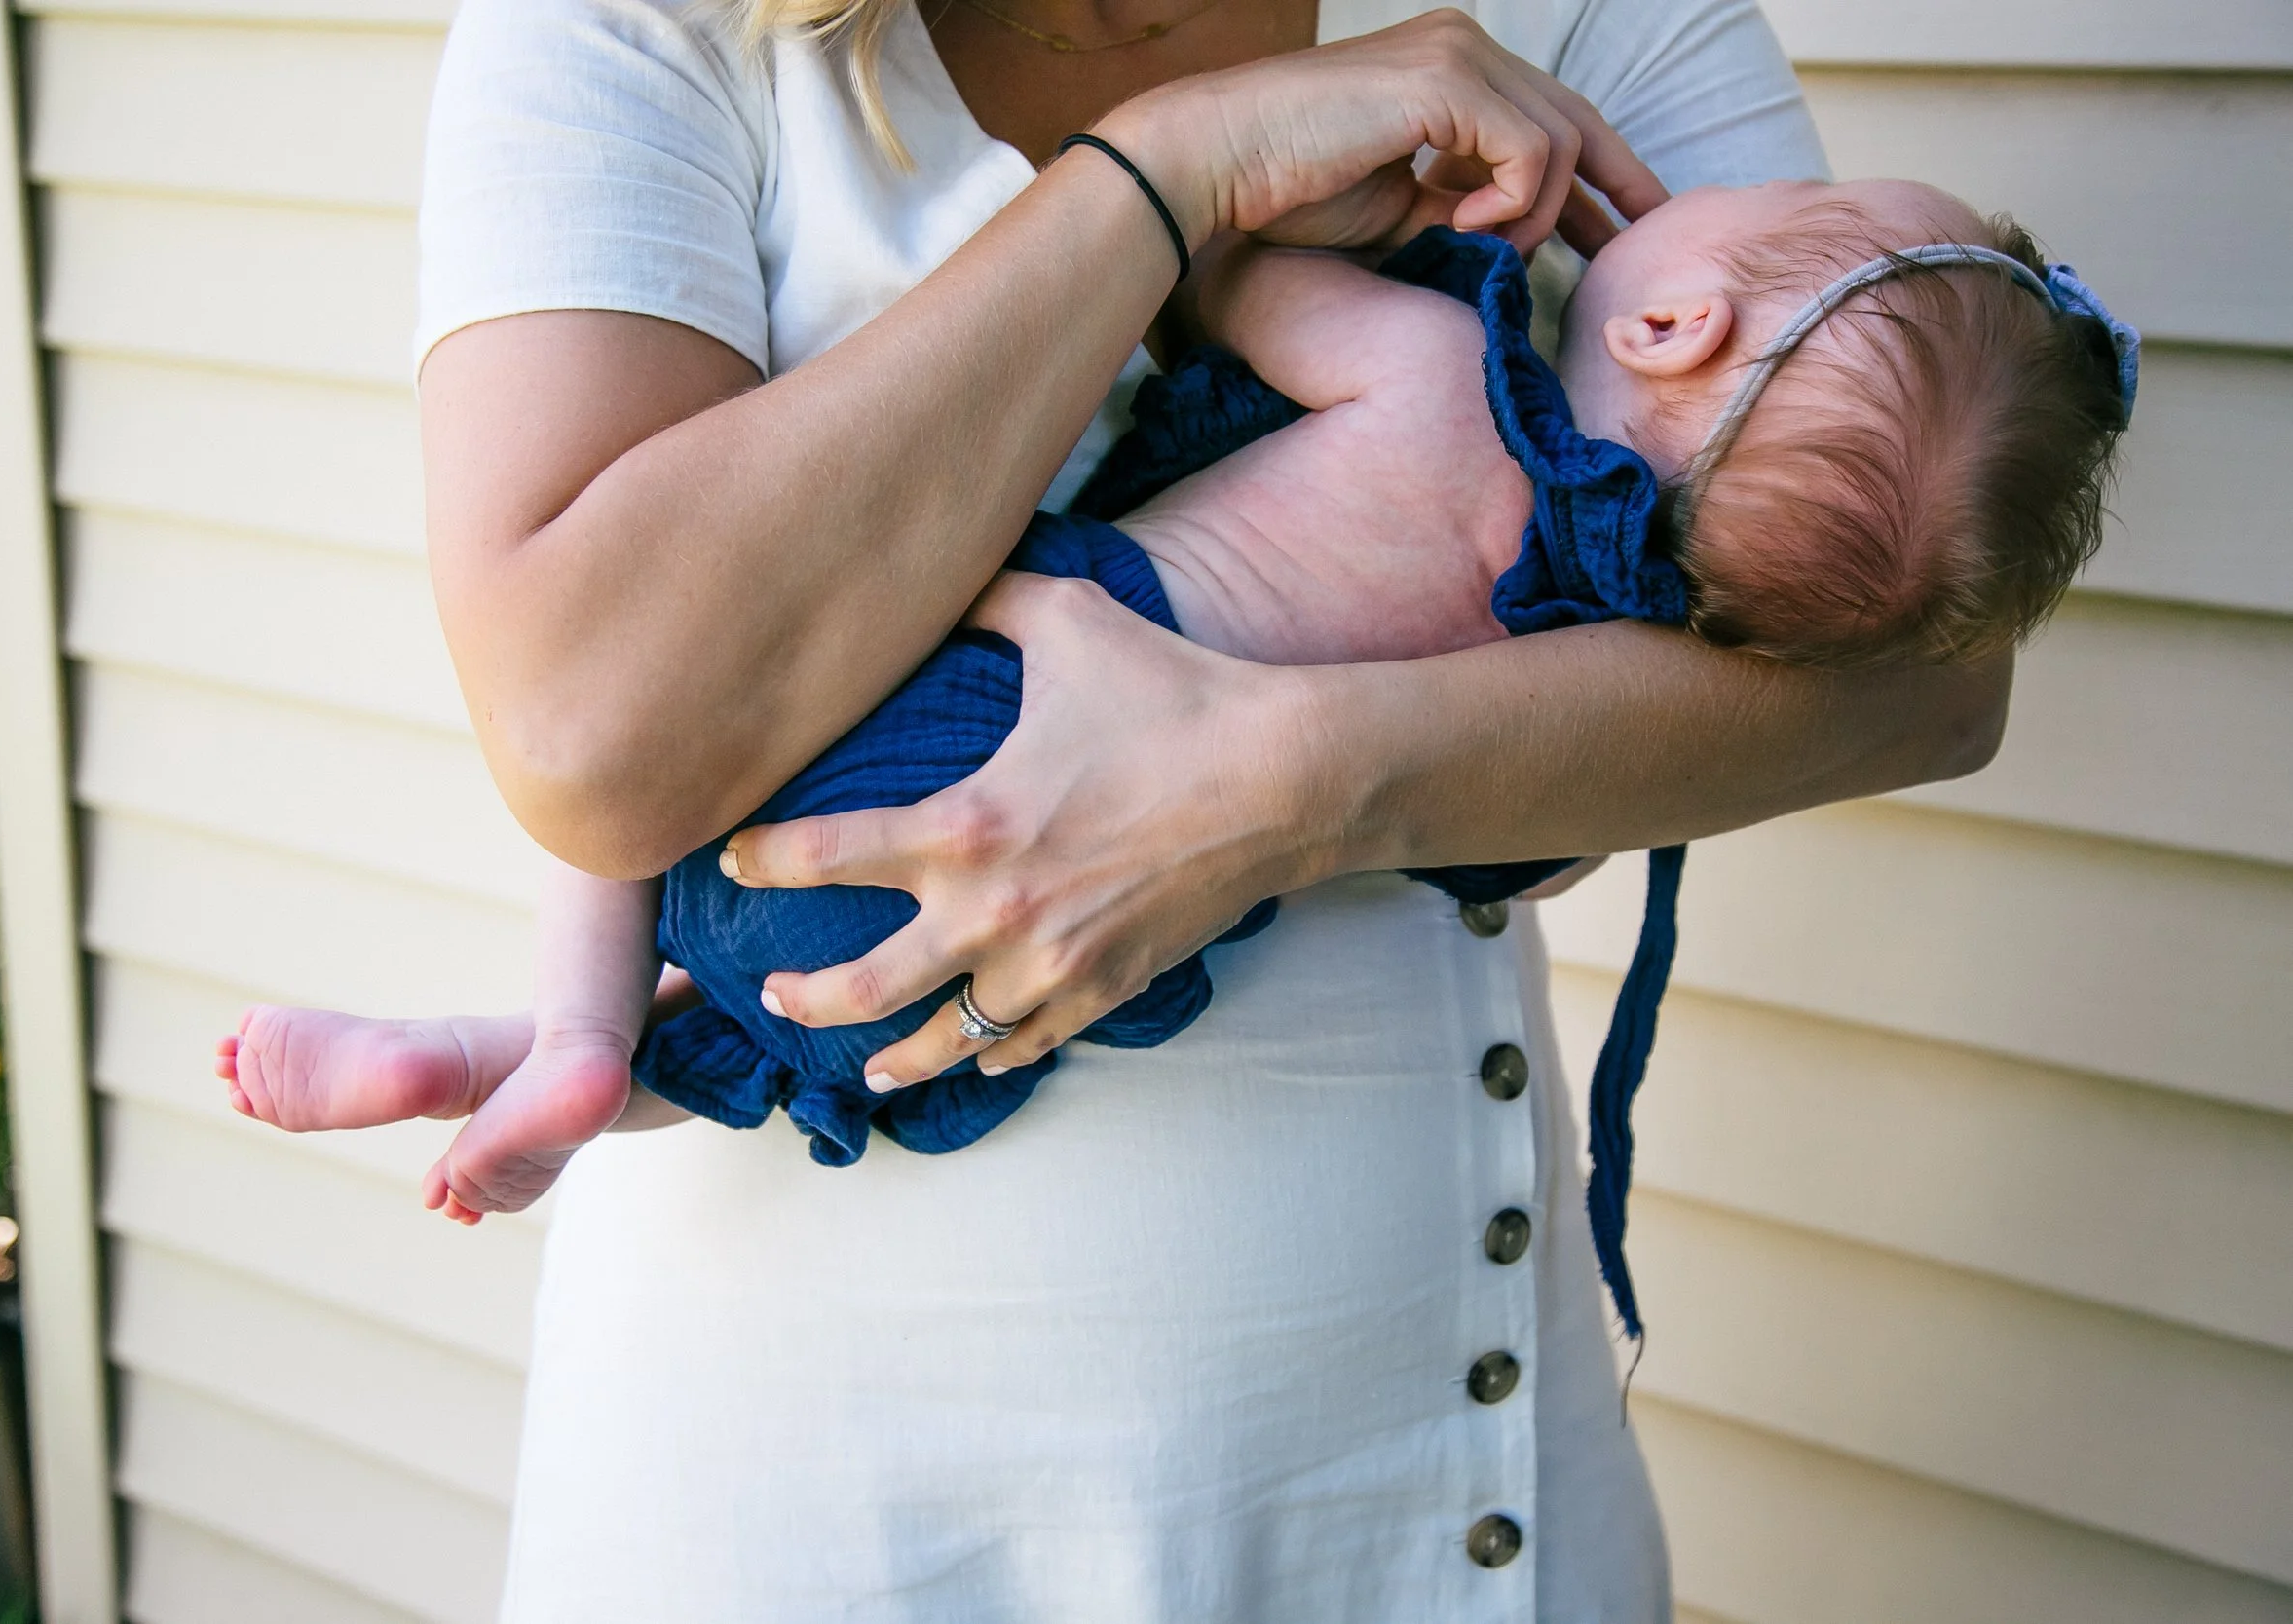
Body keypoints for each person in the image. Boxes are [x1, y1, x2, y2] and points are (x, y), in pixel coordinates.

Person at [233, 0, 2027, 1617]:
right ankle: (551, 1049)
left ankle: (555, 1043)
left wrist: (1268, 787)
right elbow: (596, 734)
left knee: (777, 881)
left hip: (1419, 1465)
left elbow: (1915, 662)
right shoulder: (644, 31)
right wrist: (1172, 169)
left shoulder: (1590, 23)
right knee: (736, 844)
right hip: (830, 1493)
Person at [219, 181, 2129, 1214]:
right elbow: (1534, 855)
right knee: (801, 1016)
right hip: (1069, 932)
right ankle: (551, 1071)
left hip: (984, 694)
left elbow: (1219, 271)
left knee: (679, 748)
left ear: (1666, 319)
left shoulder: (1445, 380)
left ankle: (551, 1022)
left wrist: (1364, 207)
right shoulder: (1590, 662)